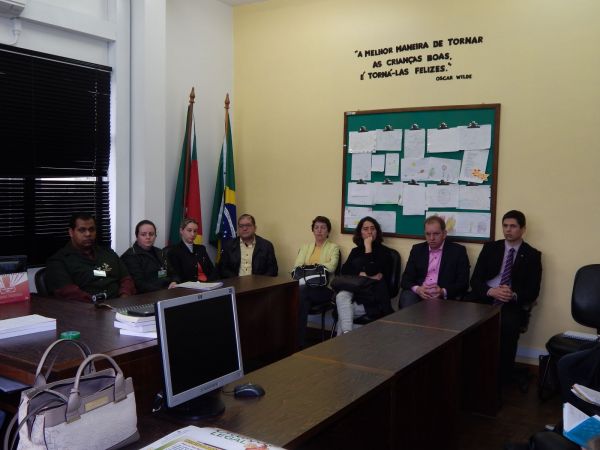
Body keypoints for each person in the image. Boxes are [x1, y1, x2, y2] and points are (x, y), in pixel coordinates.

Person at [467, 210, 542, 385]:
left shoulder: (532, 255)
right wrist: (490, 291)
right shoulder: (490, 248)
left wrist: (513, 294)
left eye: (513, 226)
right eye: (505, 226)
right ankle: (469, 371)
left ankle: (501, 377)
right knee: (464, 322)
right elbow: (475, 280)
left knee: (508, 326)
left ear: (523, 229)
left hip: (510, 303)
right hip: (485, 297)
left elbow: (533, 291)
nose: (508, 230)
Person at [46, 213, 135, 301]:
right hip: (85, 307)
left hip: (119, 304)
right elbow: (68, 292)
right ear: (71, 232)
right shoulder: (58, 261)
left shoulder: (108, 253)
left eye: (91, 229)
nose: (88, 234)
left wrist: (124, 298)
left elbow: (126, 279)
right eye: (82, 230)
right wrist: (96, 304)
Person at [335, 216, 394, 335]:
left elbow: (372, 271)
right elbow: (345, 270)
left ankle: (344, 336)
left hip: (373, 295)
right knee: (341, 296)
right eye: (365, 229)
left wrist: (368, 248)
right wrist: (363, 274)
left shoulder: (385, 252)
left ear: (377, 231)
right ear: (360, 232)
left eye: (372, 228)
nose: (369, 232)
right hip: (354, 289)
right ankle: (347, 336)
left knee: (344, 313)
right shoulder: (355, 251)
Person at [398, 216, 470, 308]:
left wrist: (442, 291)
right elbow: (405, 280)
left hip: (443, 295)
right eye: (428, 234)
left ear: (444, 234)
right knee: (407, 296)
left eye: (436, 234)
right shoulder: (417, 250)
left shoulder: (458, 251)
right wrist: (418, 289)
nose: (431, 238)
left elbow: (463, 283)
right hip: (420, 293)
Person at [292, 216, 340, 348]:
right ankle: (299, 341)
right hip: (306, 289)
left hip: (325, 290)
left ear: (328, 231)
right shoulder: (305, 247)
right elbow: (297, 267)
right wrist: (317, 269)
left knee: (300, 294)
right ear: (312, 230)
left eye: (323, 228)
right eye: (316, 227)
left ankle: (297, 342)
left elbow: (332, 267)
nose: (319, 230)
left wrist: (308, 269)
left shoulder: (333, 248)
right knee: (302, 298)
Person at [121, 220, 177, 293]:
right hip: (148, 295)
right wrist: (163, 291)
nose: (148, 237)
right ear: (137, 236)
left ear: (155, 236)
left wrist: (174, 282)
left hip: (169, 291)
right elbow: (140, 284)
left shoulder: (161, 252)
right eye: (143, 234)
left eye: (151, 234)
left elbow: (173, 273)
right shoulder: (130, 256)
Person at [218, 214, 278, 278]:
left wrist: (258, 281)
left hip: (259, 283)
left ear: (255, 228)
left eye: (248, 225)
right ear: (238, 229)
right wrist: (237, 281)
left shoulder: (266, 246)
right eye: (241, 226)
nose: (244, 228)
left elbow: (273, 270)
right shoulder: (229, 245)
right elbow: (223, 269)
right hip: (235, 282)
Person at [167, 218, 217, 283]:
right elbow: (177, 276)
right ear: (181, 231)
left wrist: (212, 283)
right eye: (189, 230)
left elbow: (212, 270)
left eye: (195, 231)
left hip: (208, 284)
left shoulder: (201, 248)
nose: (193, 234)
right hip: (190, 286)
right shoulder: (174, 251)